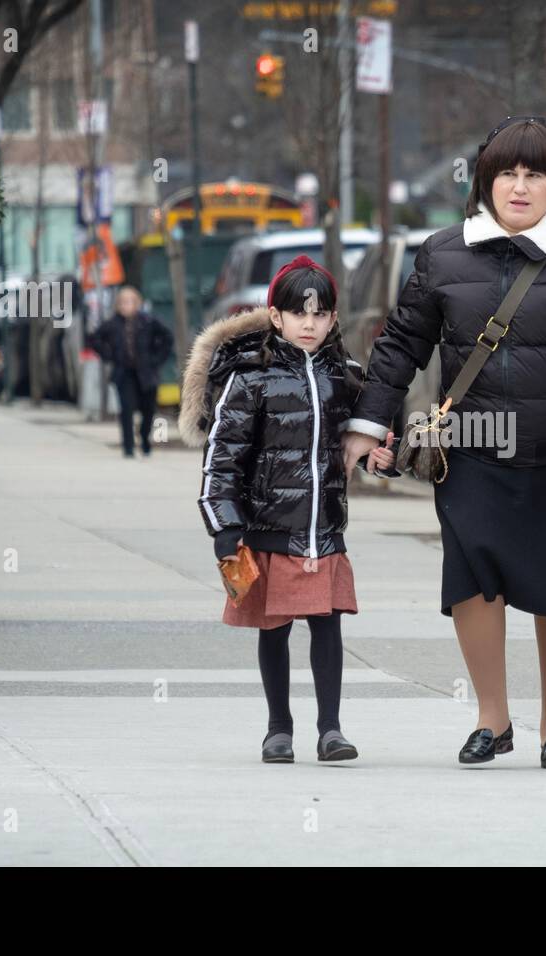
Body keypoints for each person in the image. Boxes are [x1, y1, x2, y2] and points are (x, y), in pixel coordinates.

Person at [341, 116, 546, 769]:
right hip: (473, 448)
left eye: (533, 174)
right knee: (472, 578)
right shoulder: (443, 253)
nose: (519, 186)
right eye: (505, 173)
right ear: (485, 181)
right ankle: (493, 719)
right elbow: (400, 346)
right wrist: (368, 424)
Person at [180, 255, 397, 764]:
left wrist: (383, 457)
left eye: (320, 314)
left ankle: (331, 730)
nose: (309, 323)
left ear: (333, 319)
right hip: (266, 529)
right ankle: (278, 729)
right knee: (273, 630)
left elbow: (370, 443)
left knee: (327, 626)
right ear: (275, 316)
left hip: (323, 529)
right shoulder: (249, 378)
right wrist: (224, 525)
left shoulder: (346, 377)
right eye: (298, 313)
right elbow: (222, 457)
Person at [86, 286, 173, 457]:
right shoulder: (112, 323)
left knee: (148, 408)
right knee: (126, 408)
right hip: (124, 372)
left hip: (147, 372)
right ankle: (128, 446)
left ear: (137, 303)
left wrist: (156, 359)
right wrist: (109, 354)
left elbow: (167, 338)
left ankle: (144, 436)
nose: (127, 306)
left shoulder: (148, 321)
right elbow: (95, 338)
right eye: (123, 302)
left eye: (130, 302)